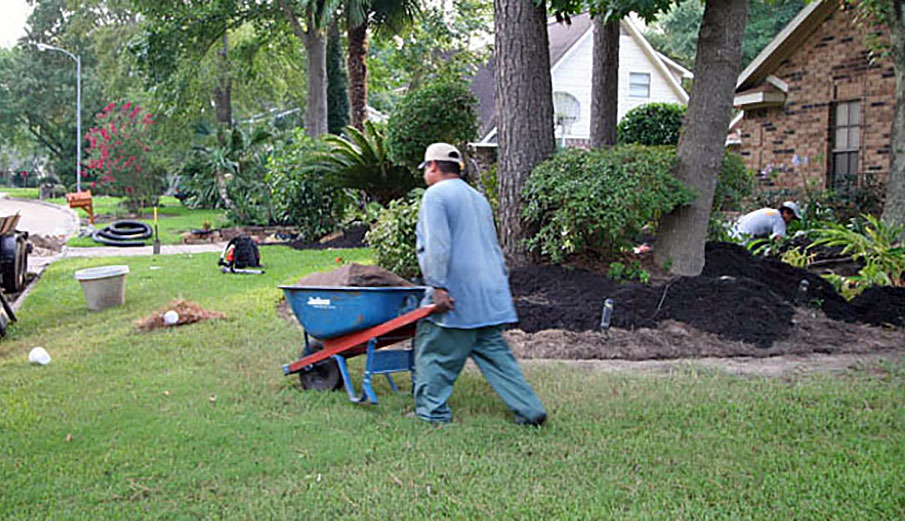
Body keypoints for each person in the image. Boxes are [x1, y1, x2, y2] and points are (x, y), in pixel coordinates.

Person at [412, 142, 547, 426]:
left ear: (433, 166)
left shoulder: (435, 196)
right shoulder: (477, 198)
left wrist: (437, 286)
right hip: (490, 295)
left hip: (458, 294)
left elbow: (437, 246)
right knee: (499, 360)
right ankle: (530, 409)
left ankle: (431, 413)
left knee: (435, 354)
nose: (426, 173)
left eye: (426, 168)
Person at [731, 201, 802, 240]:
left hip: (735, 233)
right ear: (786, 212)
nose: (791, 221)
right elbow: (779, 239)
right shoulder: (779, 219)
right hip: (745, 239)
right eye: (792, 218)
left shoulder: (771, 212)